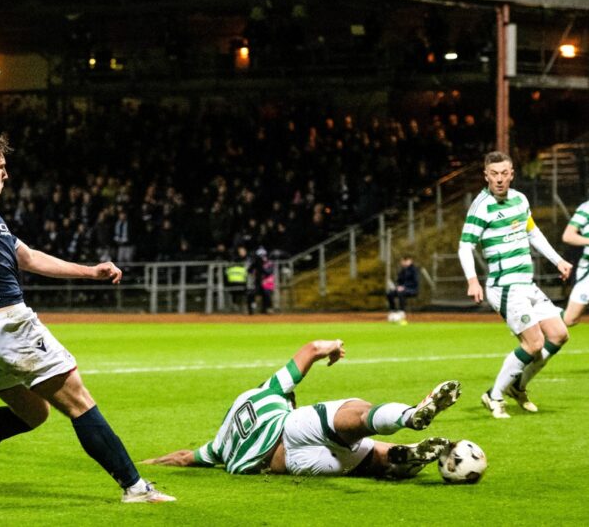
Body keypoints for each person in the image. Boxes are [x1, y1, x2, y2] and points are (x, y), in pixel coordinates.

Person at [0, 132, 174, 504]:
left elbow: (28, 258)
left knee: (33, 413)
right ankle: (135, 487)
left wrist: (90, 272)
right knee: (78, 400)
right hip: (7, 322)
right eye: (1, 167)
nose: (6, 175)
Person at [143, 339, 461, 479]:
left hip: (291, 463)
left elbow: (184, 458)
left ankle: (402, 456)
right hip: (289, 428)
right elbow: (310, 349)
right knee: (359, 415)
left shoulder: (218, 446)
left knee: (367, 459)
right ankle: (409, 415)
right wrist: (333, 346)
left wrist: (151, 463)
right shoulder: (269, 392)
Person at [458, 151, 571, 419]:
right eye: (493, 174)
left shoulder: (520, 200)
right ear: (486, 175)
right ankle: (494, 395)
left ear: (512, 174)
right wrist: (472, 280)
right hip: (504, 286)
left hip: (526, 283)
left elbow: (532, 232)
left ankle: (518, 386)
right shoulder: (481, 207)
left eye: (504, 173)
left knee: (559, 335)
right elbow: (465, 246)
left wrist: (558, 261)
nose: (499, 179)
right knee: (533, 343)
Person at [561, 200, 589, 326]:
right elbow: (568, 236)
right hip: (588, 270)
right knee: (569, 319)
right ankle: (533, 321)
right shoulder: (586, 208)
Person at [386, 254, 419, 322]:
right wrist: (397, 286)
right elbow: (399, 281)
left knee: (401, 292)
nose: (403, 262)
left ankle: (402, 312)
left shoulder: (414, 270)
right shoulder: (402, 271)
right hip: (401, 289)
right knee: (390, 293)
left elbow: (415, 282)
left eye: (405, 260)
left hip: (412, 289)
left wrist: (404, 287)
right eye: (403, 261)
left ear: (410, 261)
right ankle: (393, 311)